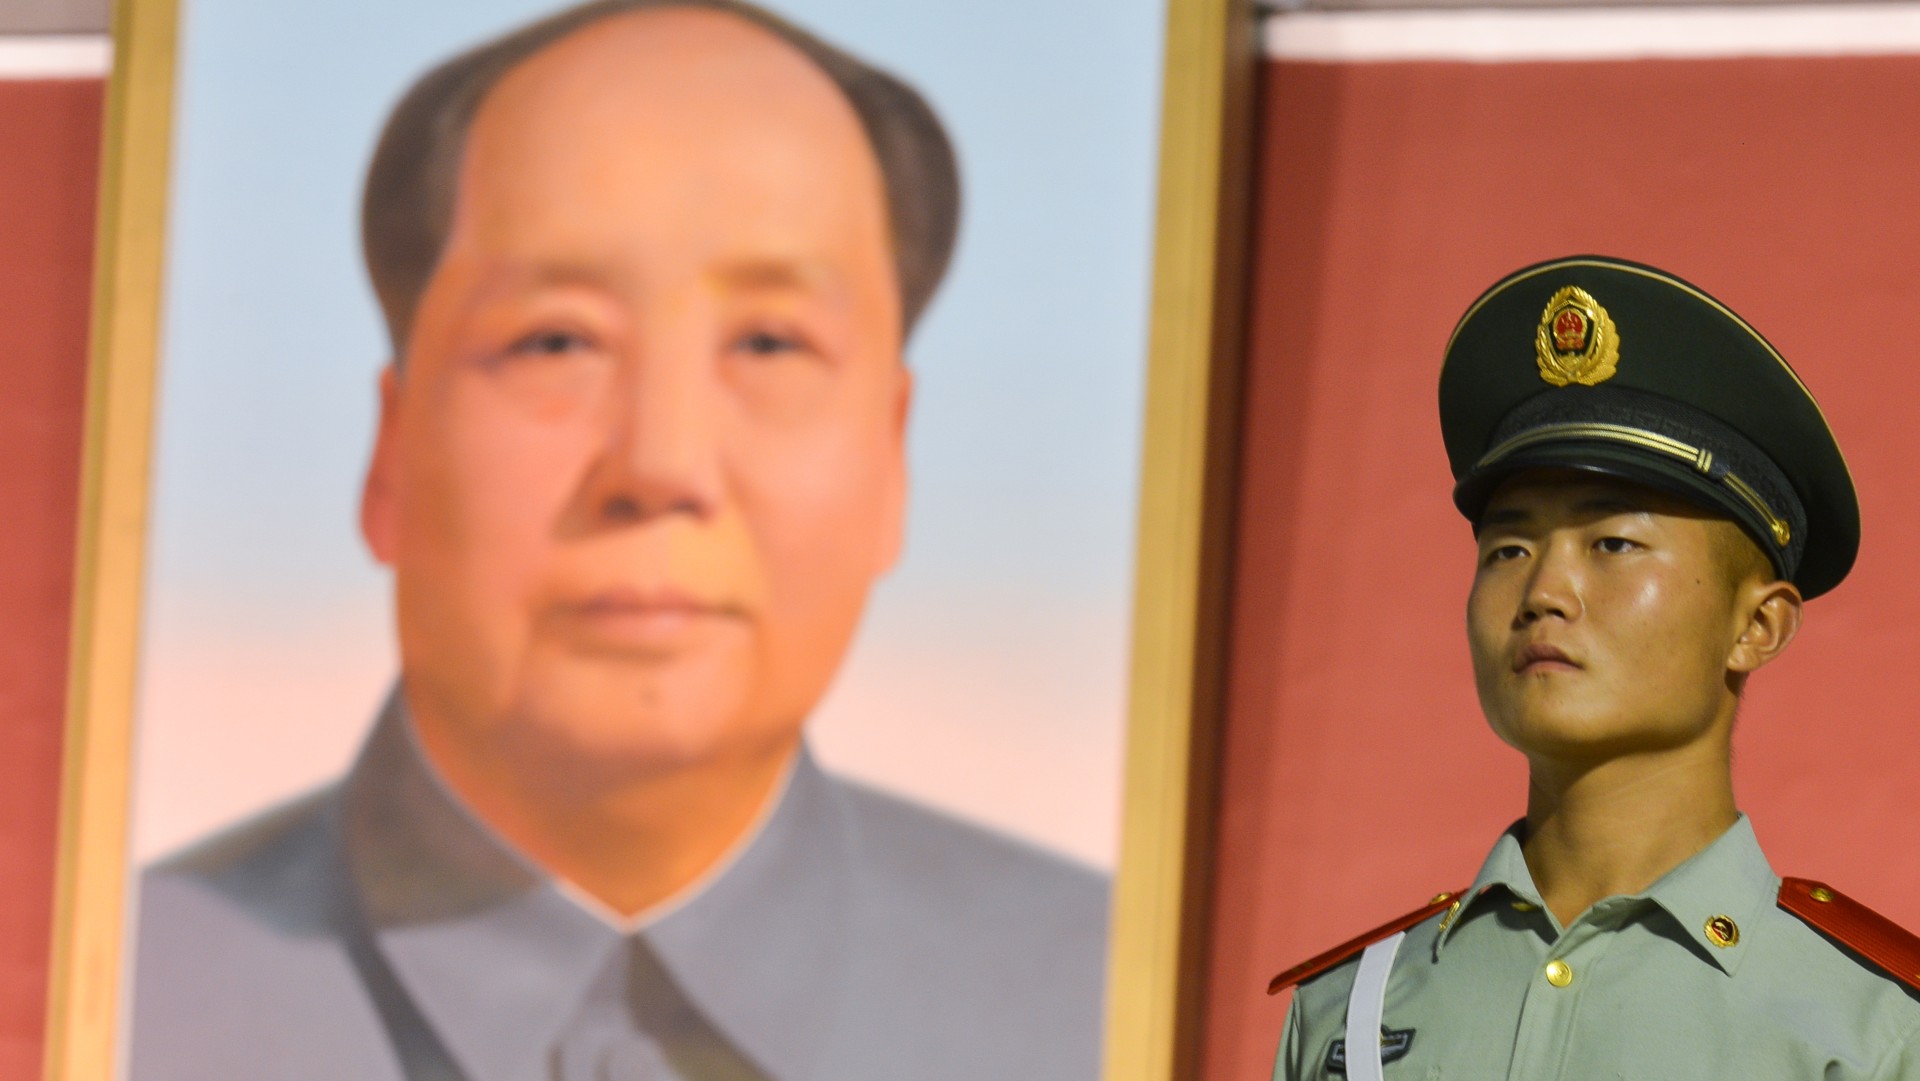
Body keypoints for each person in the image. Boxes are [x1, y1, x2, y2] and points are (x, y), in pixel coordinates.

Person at [129, 4, 1107, 1080]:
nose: (661, 464)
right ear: (391, 452)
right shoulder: (103, 992)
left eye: (771, 343)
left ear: (893, 455)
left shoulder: (1128, 999)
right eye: (557, 341)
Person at [1267, 256, 1920, 1080]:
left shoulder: (1873, 1030)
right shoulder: (1350, 1012)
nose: (1543, 590)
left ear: (1757, 623)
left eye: (1612, 543)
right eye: (1508, 547)